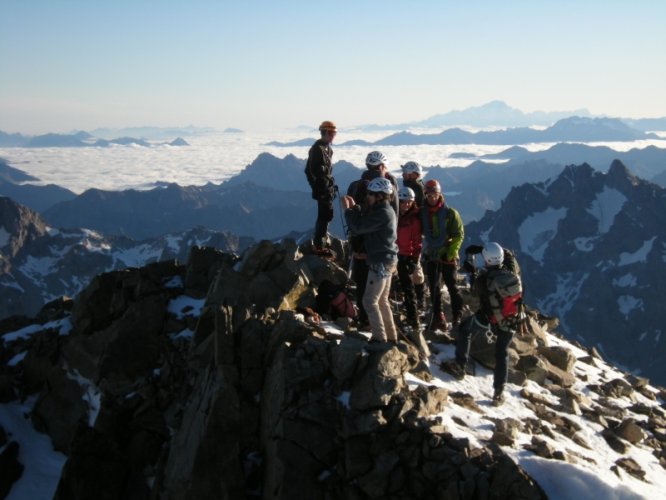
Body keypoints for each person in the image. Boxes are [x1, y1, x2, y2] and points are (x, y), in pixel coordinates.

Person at [441, 242, 523, 406]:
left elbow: (474, 293)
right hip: (512, 320)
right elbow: (507, 255)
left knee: (465, 329)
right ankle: (499, 393)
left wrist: (472, 271)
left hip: (489, 319)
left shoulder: (484, 279)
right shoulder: (511, 271)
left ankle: (460, 365)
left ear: (487, 260)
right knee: (502, 354)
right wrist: (486, 249)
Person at [342, 177, 399, 343]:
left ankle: (379, 339)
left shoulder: (382, 213)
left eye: (371, 194)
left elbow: (359, 227)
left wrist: (348, 211)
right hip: (387, 261)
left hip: (380, 263)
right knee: (381, 301)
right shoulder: (384, 211)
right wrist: (356, 208)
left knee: (369, 301)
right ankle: (391, 337)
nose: (368, 196)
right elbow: (366, 221)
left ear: (380, 196)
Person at [421, 179, 464, 331]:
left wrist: (450, 253)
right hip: (432, 255)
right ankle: (438, 316)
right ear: (425, 195)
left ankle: (457, 316)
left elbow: (458, 234)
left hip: (447, 256)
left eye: (435, 194)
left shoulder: (450, 213)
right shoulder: (423, 213)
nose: (432, 198)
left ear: (439, 195)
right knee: (434, 287)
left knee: (452, 286)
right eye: (429, 195)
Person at [304, 120, 337, 254]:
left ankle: (320, 242)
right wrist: (317, 188)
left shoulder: (328, 148)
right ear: (327, 132)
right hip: (322, 190)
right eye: (333, 133)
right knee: (325, 215)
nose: (334, 135)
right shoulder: (317, 149)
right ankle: (319, 245)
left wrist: (330, 185)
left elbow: (325, 172)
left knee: (326, 215)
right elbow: (309, 170)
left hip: (326, 189)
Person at [396, 186, 423, 329]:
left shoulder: (414, 220)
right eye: (403, 202)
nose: (406, 205)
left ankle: (413, 319)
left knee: (408, 288)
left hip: (407, 256)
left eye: (409, 202)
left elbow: (417, 242)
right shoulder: (394, 216)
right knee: (400, 286)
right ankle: (409, 315)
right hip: (395, 255)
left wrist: (414, 260)